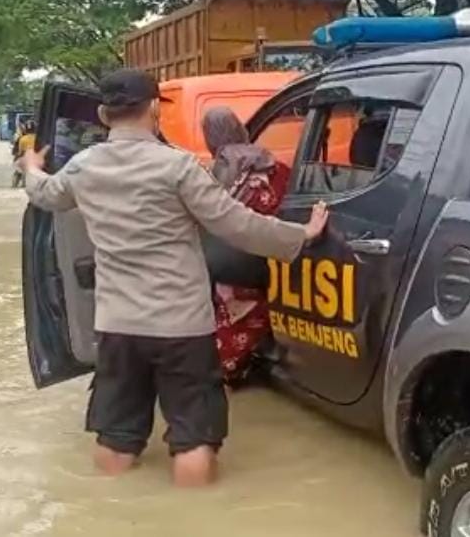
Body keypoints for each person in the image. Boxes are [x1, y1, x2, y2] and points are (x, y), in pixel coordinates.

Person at [20, 69, 328, 486]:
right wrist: (301, 234)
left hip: (117, 325)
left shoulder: (83, 167)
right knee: (193, 439)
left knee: (115, 438)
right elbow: (238, 225)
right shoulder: (178, 166)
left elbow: (44, 194)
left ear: (102, 115)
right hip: (181, 326)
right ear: (153, 109)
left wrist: (31, 167)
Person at [200, 107, 290, 386]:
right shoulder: (275, 164)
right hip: (274, 252)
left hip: (231, 261)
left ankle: (232, 371)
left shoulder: (210, 172)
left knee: (233, 315)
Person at [11, 121, 36, 188]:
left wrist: (15, 158)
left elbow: (20, 152)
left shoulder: (22, 139)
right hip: (35, 159)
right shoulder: (38, 138)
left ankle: (14, 185)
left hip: (25, 159)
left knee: (17, 170)